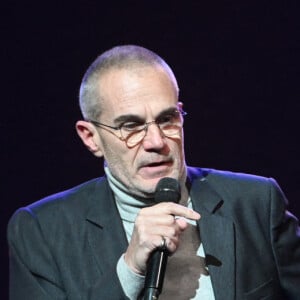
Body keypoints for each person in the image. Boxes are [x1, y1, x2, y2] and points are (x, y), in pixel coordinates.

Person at [7, 45, 300, 300]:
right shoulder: (41, 231)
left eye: (167, 119)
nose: (156, 142)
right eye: (130, 126)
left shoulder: (256, 204)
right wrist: (130, 269)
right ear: (90, 137)